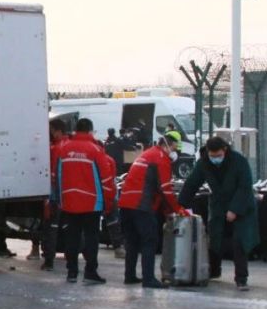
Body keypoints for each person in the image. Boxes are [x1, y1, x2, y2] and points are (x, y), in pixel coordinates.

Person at [178, 136, 258, 291]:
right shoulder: (204, 163)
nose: (215, 159)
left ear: (225, 150)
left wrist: (235, 209)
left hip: (242, 205)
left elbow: (244, 187)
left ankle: (241, 278)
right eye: (212, 155)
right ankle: (213, 270)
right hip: (219, 204)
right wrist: (181, 205)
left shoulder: (239, 161)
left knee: (239, 242)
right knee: (215, 237)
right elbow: (192, 184)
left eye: (218, 155)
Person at [118, 133, 183, 288]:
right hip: (141, 205)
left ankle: (130, 275)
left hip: (126, 203)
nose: (175, 152)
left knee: (132, 241)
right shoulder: (160, 158)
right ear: (166, 145)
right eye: (174, 148)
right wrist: (178, 209)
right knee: (149, 241)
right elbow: (165, 189)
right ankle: (148, 279)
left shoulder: (147, 154)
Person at [54, 118, 114, 284]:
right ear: (90, 131)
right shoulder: (95, 150)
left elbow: (57, 177)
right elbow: (106, 179)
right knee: (91, 238)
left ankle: (72, 272)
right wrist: (109, 201)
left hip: (69, 202)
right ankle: (90, 272)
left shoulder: (64, 149)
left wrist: (60, 200)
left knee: (72, 237)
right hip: (92, 203)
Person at [40, 118, 69, 270]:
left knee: (51, 228)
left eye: (51, 130)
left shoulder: (55, 148)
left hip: (55, 195)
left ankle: (49, 261)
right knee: (68, 227)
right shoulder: (70, 146)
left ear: (58, 131)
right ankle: (70, 256)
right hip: (70, 196)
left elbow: (52, 174)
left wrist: (49, 198)